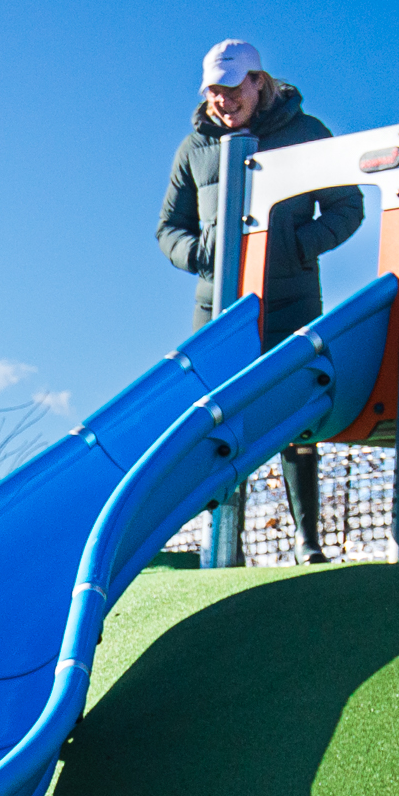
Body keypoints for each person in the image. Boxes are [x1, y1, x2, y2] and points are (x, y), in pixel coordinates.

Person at [158, 38, 365, 562]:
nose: (222, 101)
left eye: (232, 89)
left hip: (289, 302)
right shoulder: (195, 147)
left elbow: (348, 206)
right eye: (213, 92)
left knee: (296, 410)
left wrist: (300, 245)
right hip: (217, 309)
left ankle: (308, 539)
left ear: (258, 81)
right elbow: (168, 228)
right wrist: (202, 252)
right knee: (222, 419)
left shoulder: (305, 133)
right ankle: (224, 544)